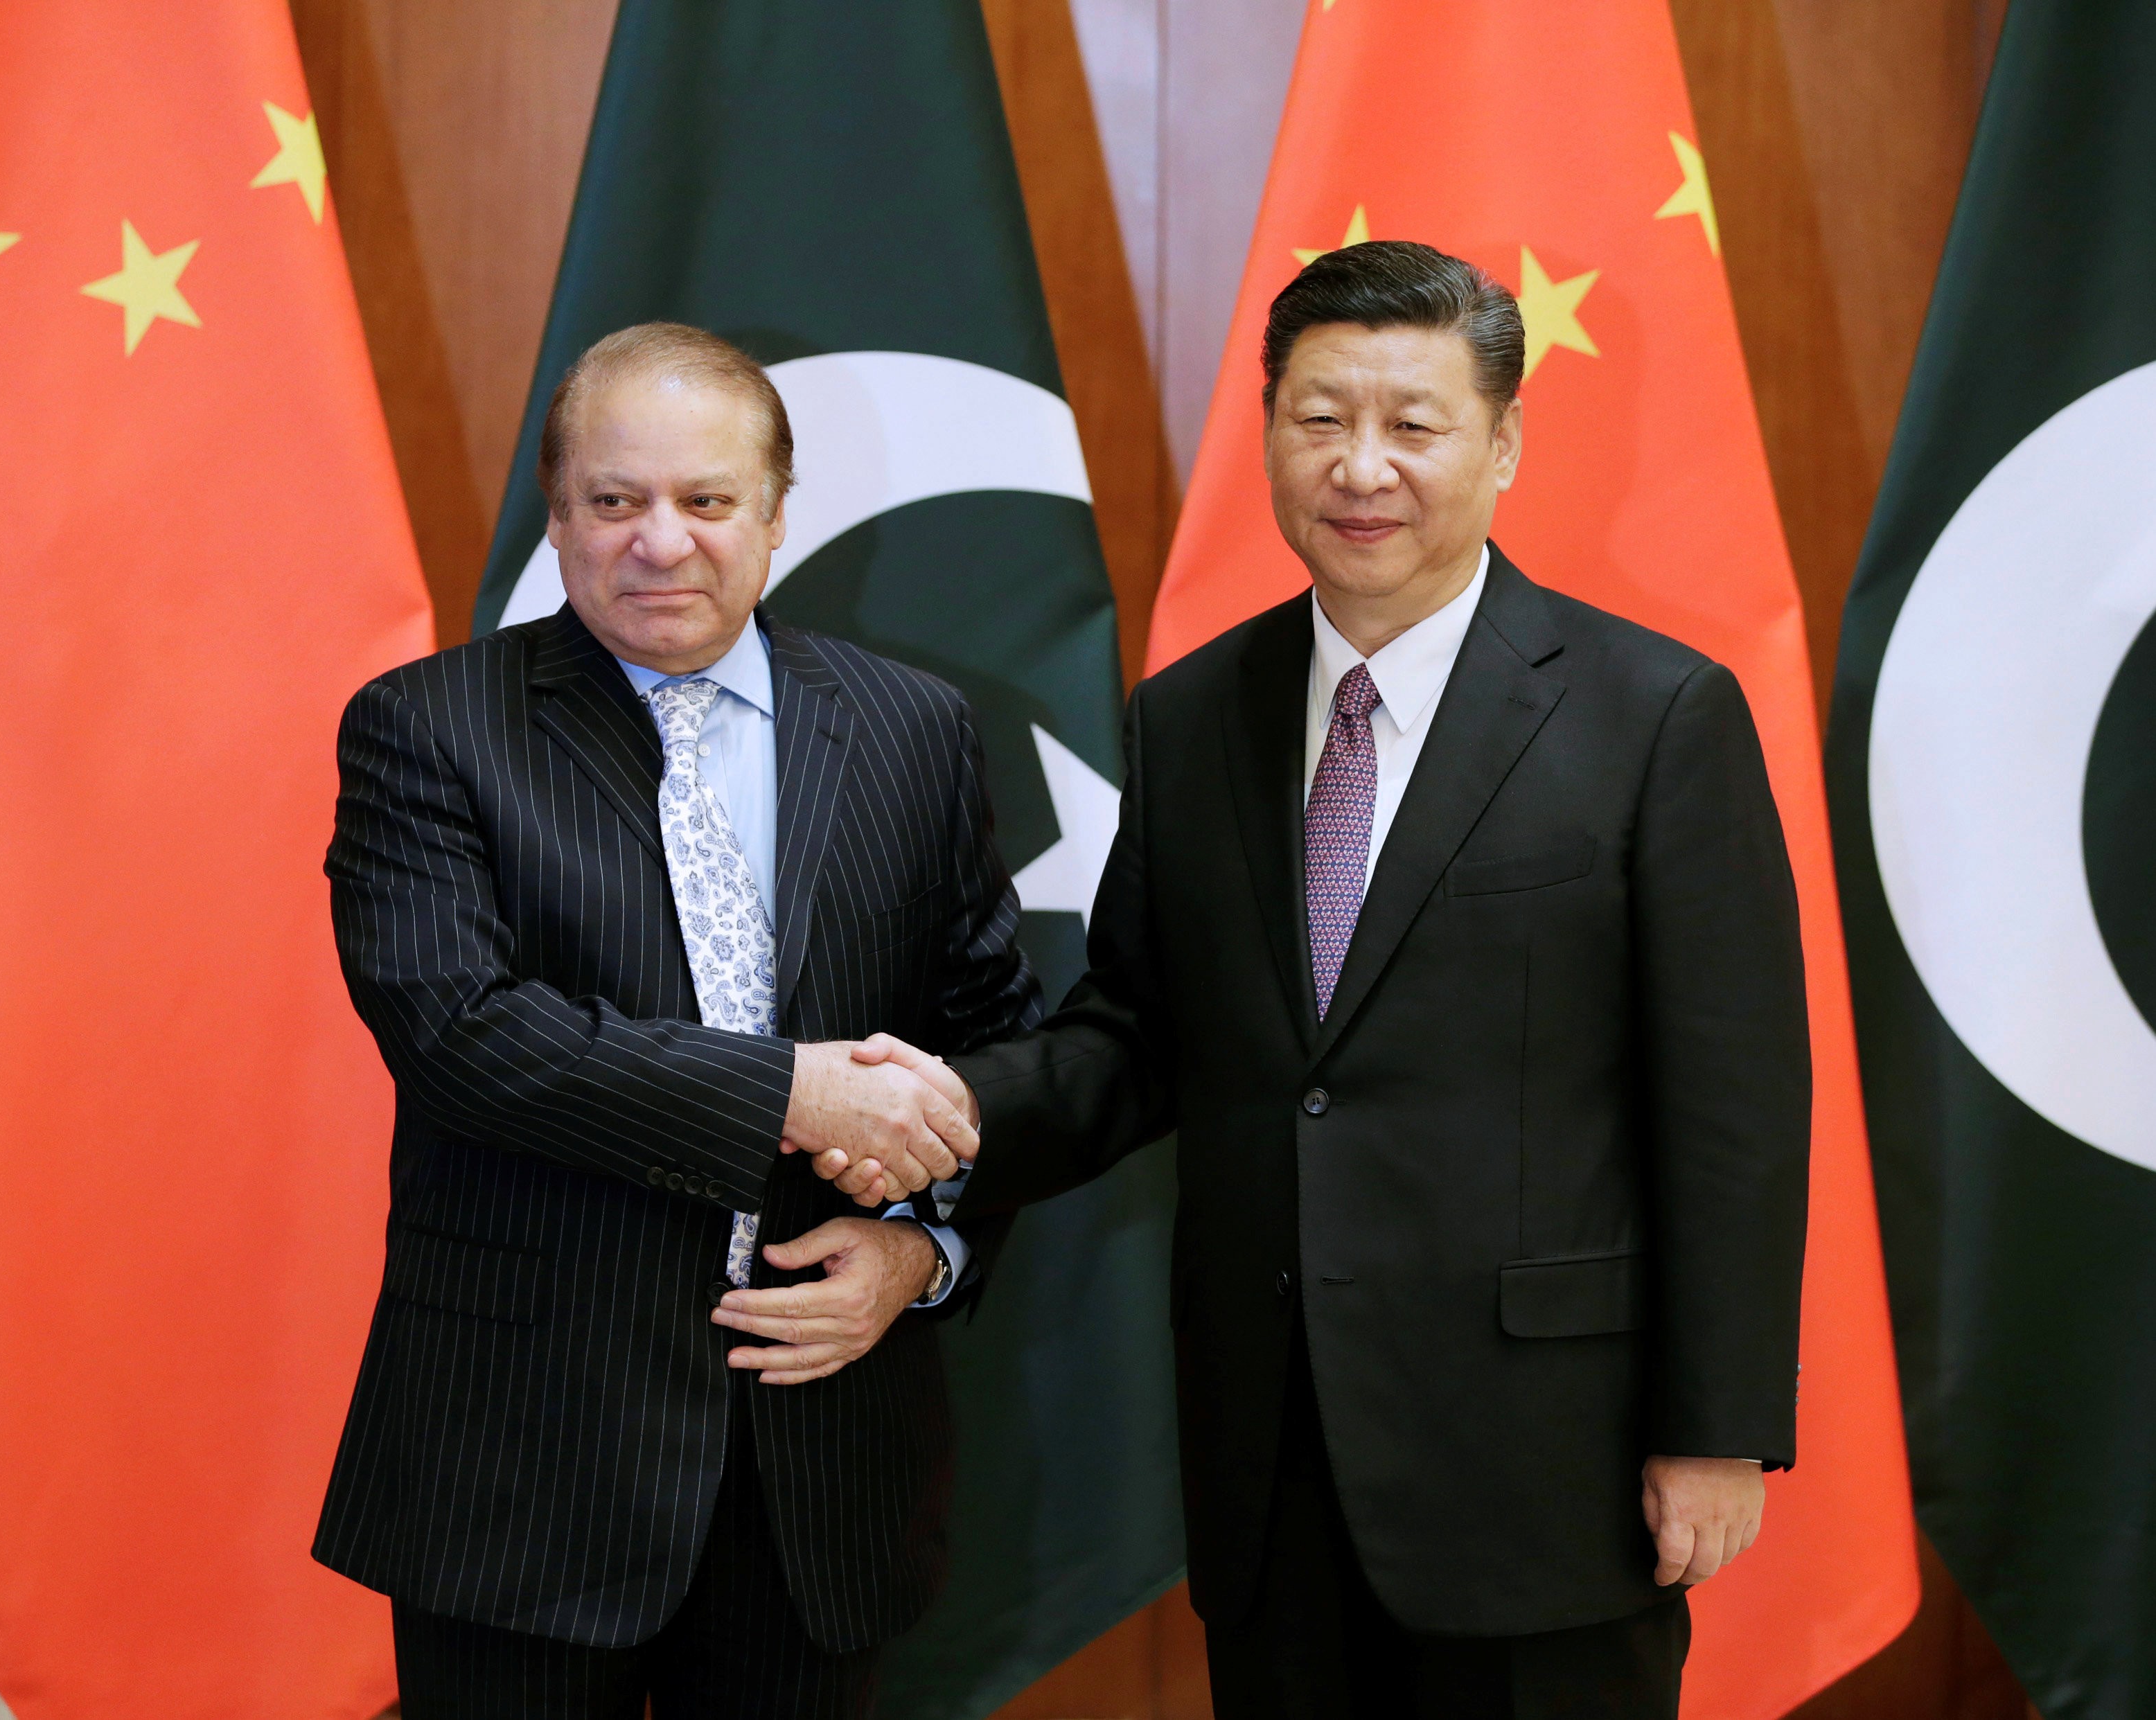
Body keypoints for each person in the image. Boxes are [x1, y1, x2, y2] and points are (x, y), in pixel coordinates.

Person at [860, 240, 1811, 1718]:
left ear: (1501, 445)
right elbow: (1133, 1037)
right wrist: (941, 1116)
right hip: (1271, 1455)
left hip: (1545, 1464)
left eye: (1411, 424)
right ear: (1267, 435)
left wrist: (1719, 1430)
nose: (1360, 466)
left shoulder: (1654, 713)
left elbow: (1734, 1107)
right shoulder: (1190, 717)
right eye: (1319, 419)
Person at [312, 321, 1039, 1719]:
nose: (661, 542)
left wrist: (923, 1252)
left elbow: (997, 1049)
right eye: (615, 501)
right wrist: (793, 1097)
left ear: (773, 516)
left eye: (706, 501)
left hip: (819, 1473)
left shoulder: (914, 729)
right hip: (522, 1467)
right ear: (559, 510)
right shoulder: (427, 728)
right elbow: (463, 1036)